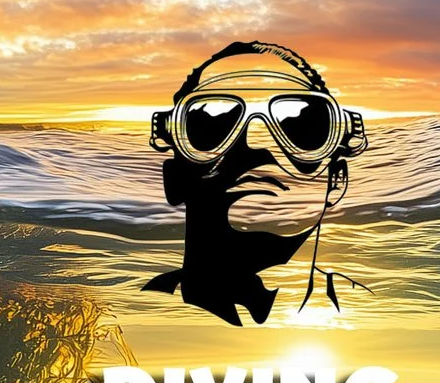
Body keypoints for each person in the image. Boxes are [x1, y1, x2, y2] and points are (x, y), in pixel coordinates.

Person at [145, 41, 368, 325]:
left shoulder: (380, 315)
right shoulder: (134, 314)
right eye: (209, 129)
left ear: (337, 180)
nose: (257, 142)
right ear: (174, 179)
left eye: (303, 129)